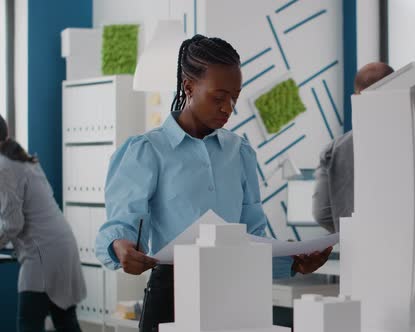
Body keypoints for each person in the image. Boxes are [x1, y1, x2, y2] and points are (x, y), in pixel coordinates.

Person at [95, 34, 332, 332]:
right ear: (189, 87)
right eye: (218, 98)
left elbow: (252, 239)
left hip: (235, 292)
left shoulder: (240, 152)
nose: (228, 108)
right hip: (172, 297)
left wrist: (295, 264)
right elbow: (122, 225)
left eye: (234, 97)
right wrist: (121, 247)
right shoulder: (147, 150)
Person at [0, 114, 86, 332]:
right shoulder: (21, 159)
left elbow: (13, 224)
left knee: (28, 323)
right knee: (65, 321)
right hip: (61, 244)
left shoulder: (3, 166)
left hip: (42, 252)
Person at [312, 62, 394, 232]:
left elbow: (321, 214)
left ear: (356, 97)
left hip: (356, 249)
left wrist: (349, 232)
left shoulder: (333, 150)